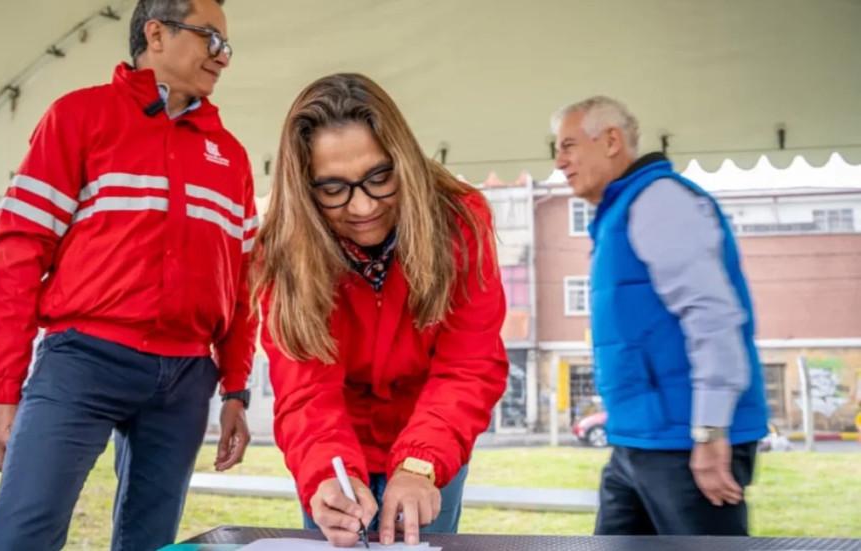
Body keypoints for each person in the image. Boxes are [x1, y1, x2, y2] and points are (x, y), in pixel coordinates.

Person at [0, 1, 257, 549]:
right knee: (19, 534)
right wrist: (2, 388)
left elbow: (244, 286)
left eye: (227, 46)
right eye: (210, 40)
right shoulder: (77, 117)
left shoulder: (233, 156)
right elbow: (15, 253)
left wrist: (236, 390)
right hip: (81, 362)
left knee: (150, 542)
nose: (222, 58)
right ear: (156, 33)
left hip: (186, 378)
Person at [252, 73, 509, 547]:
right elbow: (305, 387)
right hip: (334, 443)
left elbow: (468, 365)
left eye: (379, 177)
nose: (364, 205)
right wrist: (325, 474)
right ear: (304, 188)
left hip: (433, 434)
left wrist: (420, 464)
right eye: (333, 188)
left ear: (403, 161)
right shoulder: (285, 249)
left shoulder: (459, 222)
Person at [551, 96, 768, 535]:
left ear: (611, 140)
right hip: (640, 438)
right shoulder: (621, 211)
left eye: (569, 145)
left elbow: (713, 318)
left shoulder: (658, 201)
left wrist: (708, 432)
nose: (559, 162)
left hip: (686, 441)